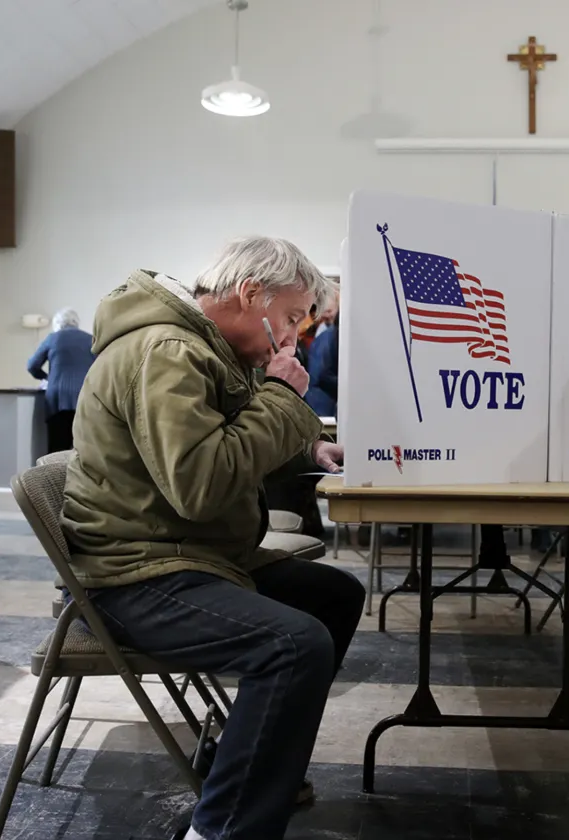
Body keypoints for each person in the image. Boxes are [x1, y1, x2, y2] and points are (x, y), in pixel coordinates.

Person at [61, 236, 364, 840]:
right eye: (290, 318)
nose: (293, 336)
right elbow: (200, 484)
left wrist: (304, 446)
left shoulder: (203, 350)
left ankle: (243, 756)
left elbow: (221, 447)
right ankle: (223, 829)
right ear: (251, 295)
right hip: (135, 574)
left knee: (333, 596)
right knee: (293, 645)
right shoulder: (168, 351)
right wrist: (281, 397)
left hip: (186, 553)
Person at [26, 307, 96, 453]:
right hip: (85, 399)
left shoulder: (53, 338)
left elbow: (32, 365)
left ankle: (56, 476)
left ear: (57, 323)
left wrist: (48, 378)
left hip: (58, 400)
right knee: (84, 450)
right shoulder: (90, 339)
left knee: (57, 448)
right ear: (76, 322)